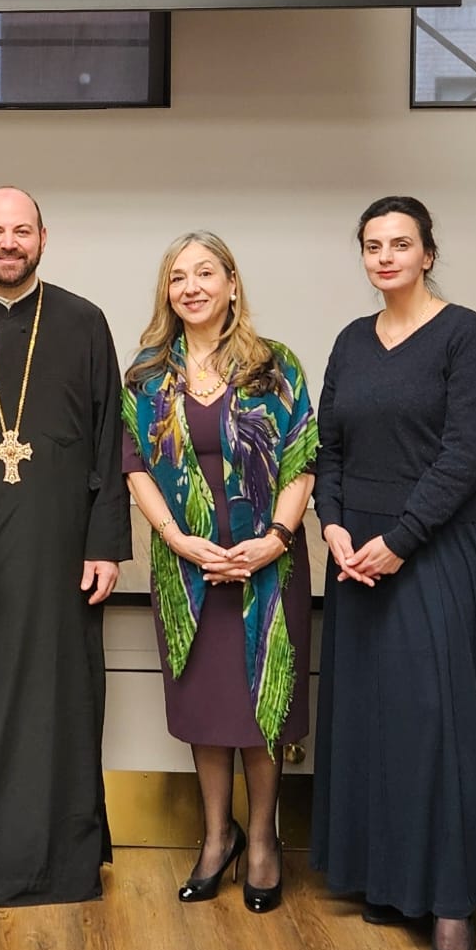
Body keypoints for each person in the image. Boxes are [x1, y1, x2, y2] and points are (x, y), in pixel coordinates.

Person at [308, 197, 476, 950]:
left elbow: (466, 455)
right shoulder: (351, 341)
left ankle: (452, 903)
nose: (386, 255)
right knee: (373, 721)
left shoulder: (466, 335)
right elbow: (328, 448)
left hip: (433, 550)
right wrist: (332, 525)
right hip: (354, 554)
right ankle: (389, 881)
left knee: (439, 722)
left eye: (401, 243)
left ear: (428, 252)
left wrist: (400, 540)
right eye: (373, 245)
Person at [0, 186, 129, 905]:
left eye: (21, 231)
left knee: (57, 706)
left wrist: (105, 543)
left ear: (43, 237)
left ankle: (56, 864)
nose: (8, 243)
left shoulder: (83, 322)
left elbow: (109, 438)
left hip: (59, 555)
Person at [121, 232, 316, 913]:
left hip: (268, 571)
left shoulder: (274, 366)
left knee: (262, 708)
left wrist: (274, 540)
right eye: (178, 277)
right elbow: (135, 465)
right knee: (207, 712)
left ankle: (262, 842)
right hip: (188, 572)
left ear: (232, 284)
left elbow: (302, 458)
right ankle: (216, 837)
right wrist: (179, 540)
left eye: (205, 273)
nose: (192, 287)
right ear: (167, 293)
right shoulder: (148, 374)